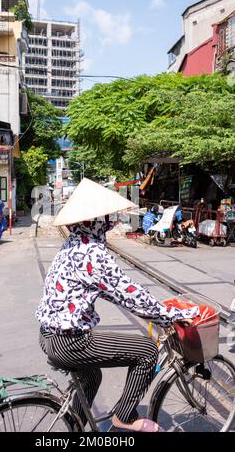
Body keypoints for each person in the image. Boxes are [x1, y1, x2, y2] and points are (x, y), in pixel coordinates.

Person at [36, 178, 199, 433]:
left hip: (48, 335)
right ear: (97, 220)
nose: (110, 222)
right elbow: (129, 294)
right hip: (70, 342)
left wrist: (157, 312)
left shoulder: (73, 244)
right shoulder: (93, 254)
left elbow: (117, 292)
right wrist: (172, 314)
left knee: (92, 376)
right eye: (106, 217)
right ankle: (123, 416)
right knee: (146, 350)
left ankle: (76, 427)